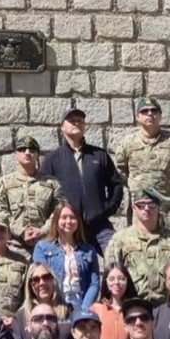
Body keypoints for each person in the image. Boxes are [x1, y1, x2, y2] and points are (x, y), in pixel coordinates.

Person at [40, 107, 124, 253]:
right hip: (67, 228)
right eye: (72, 120)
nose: (76, 123)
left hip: (99, 225)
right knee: (72, 269)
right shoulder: (52, 159)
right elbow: (43, 193)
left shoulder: (99, 155)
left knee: (117, 257)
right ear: (62, 127)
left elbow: (116, 184)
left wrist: (108, 209)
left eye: (80, 120)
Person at [113, 97, 170, 235]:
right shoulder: (127, 143)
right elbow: (120, 172)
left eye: (154, 111)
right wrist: (139, 186)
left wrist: (167, 186)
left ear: (160, 116)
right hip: (140, 205)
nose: (150, 114)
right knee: (139, 246)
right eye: (144, 111)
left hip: (168, 206)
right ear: (137, 117)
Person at [105, 187, 170, 305]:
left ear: (159, 208)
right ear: (133, 208)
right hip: (132, 306)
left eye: (151, 205)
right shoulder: (120, 240)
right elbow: (111, 274)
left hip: (167, 308)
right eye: (141, 205)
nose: (146, 209)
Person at [0, 135, 63, 253]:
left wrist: (42, 231)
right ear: (15, 154)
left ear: (38, 155)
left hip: (45, 245)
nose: (27, 153)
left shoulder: (51, 183)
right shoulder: (4, 183)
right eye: (22, 149)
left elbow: (58, 211)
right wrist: (20, 231)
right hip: (13, 246)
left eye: (32, 150)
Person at [32, 201, 101, 311]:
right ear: (56, 221)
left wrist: (84, 308)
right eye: (64, 217)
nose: (68, 221)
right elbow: (41, 281)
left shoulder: (89, 251)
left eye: (72, 217)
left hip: (80, 305)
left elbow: (94, 284)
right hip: (54, 305)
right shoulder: (42, 248)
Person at [11, 263, 75, 339]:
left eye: (46, 277)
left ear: (53, 280)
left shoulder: (70, 311)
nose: (42, 283)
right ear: (30, 285)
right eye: (35, 280)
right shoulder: (21, 316)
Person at [90, 262, 138, 339]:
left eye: (121, 279)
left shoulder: (135, 309)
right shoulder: (96, 309)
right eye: (111, 279)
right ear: (106, 283)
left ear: (127, 281)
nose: (116, 283)